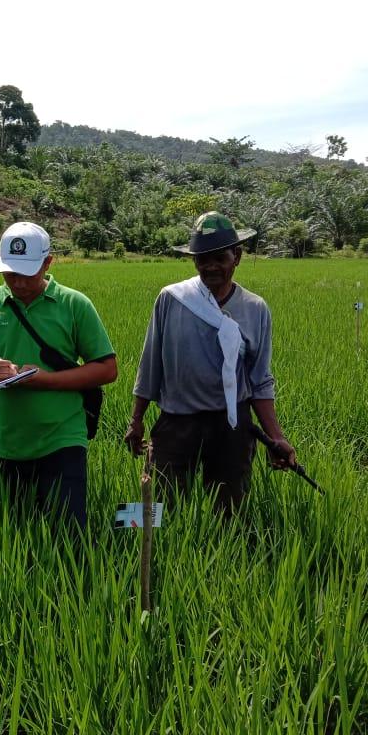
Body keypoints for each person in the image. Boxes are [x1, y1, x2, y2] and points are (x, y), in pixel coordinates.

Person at [124, 211, 296, 515]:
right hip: (176, 421)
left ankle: (225, 559)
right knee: (158, 505)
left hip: (231, 425)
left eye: (220, 258)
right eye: (202, 259)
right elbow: (150, 364)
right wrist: (136, 419)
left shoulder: (255, 309)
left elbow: (259, 380)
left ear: (237, 257)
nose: (210, 267)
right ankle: (139, 556)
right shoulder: (171, 299)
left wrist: (276, 437)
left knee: (230, 511)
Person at [0, 222, 117, 529]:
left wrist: (43, 380)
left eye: (27, 272)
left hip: (62, 439)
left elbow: (107, 368)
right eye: (10, 272)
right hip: (5, 443)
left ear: (47, 262)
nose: (17, 282)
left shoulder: (74, 304)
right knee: (19, 536)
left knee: (69, 536)